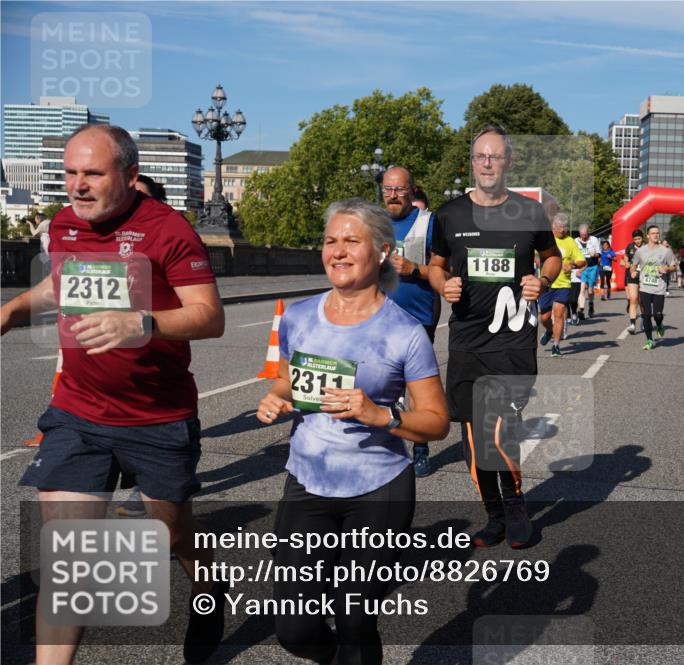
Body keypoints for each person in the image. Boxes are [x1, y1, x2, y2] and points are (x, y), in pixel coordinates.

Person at [1, 124, 226, 665]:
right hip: (78, 411)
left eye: (92, 174)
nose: (77, 185)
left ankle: (208, 583)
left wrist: (143, 322)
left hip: (157, 416)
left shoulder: (168, 230)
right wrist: (12, 310)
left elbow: (209, 316)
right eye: (70, 173)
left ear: (129, 174)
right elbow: (60, 283)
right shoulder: (64, 223)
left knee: (172, 533)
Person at [258, 198, 448, 663]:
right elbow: (287, 377)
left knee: (355, 618)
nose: (338, 251)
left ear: (383, 251)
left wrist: (382, 416)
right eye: (330, 241)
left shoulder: (405, 332)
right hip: (308, 480)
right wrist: (277, 395)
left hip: (379, 487)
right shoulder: (299, 315)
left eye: (351, 241)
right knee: (294, 629)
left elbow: (437, 422)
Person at [428, 125, 561, 549]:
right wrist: (442, 284)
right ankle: (494, 514)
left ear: (508, 162)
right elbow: (435, 265)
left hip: (513, 340)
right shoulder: (449, 215)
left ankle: (516, 505)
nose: (487, 163)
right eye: (480, 156)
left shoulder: (529, 212)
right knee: (474, 438)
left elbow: (552, 257)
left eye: (495, 156)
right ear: (472, 162)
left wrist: (542, 280)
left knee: (500, 430)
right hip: (467, 340)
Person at [381, 166, 441, 478]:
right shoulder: (372, 222)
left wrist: (414, 269)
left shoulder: (429, 223)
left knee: (417, 387)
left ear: (412, 190)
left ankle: (420, 449)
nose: (393, 195)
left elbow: (445, 271)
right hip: (377, 317)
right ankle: (381, 445)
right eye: (388, 189)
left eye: (399, 189)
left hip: (418, 317)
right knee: (377, 382)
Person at [117, 174, 170, 518]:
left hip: (155, 362)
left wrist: (144, 322)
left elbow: (208, 316)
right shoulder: (104, 239)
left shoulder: (170, 237)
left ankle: (144, 488)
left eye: (140, 197)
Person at [539, 213, 585, 357]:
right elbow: (534, 255)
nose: (563, 230)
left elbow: (582, 261)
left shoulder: (570, 241)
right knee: (544, 317)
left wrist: (572, 264)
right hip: (546, 283)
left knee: (559, 314)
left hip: (563, 283)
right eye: (560, 227)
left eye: (565, 227)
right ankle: (549, 330)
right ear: (553, 227)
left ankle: (556, 346)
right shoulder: (545, 239)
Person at [629, 225, 674, 350]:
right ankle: (649, 340)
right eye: (653, 233)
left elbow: (674, 266)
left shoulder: (665, 251)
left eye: (657, 233)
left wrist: (666, 268)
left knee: (657, 315)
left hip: (659, 288)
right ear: (648, 236)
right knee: (647, 315)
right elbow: (633, 265)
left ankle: (659, 325)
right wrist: (633, 272)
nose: (656, 235)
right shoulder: (640, 251)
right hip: (645, 287)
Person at [575, 224, 601, 319]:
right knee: (581, 289)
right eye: (582, 235)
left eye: (585, 234)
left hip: (592, 267)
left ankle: (591, 305)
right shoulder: (575, 241)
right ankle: (581, 310)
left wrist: (594, 254)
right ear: (579, 234)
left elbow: (599, 253)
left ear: (588, 233)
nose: (584, 236)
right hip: (582, 268)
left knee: (590, 290)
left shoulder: (594, 239)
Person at [621, 229, 644, 333]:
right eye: (635, 239)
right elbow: (625, 256)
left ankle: (643, 319)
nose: (637, 241)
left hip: (644, 276)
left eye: (639, 239)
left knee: (642, 301)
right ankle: (632, 325)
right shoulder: (630, 247)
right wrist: (626, 262)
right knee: (633, 299)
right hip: (632, 275)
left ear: (642, 238)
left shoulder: (647, 247)